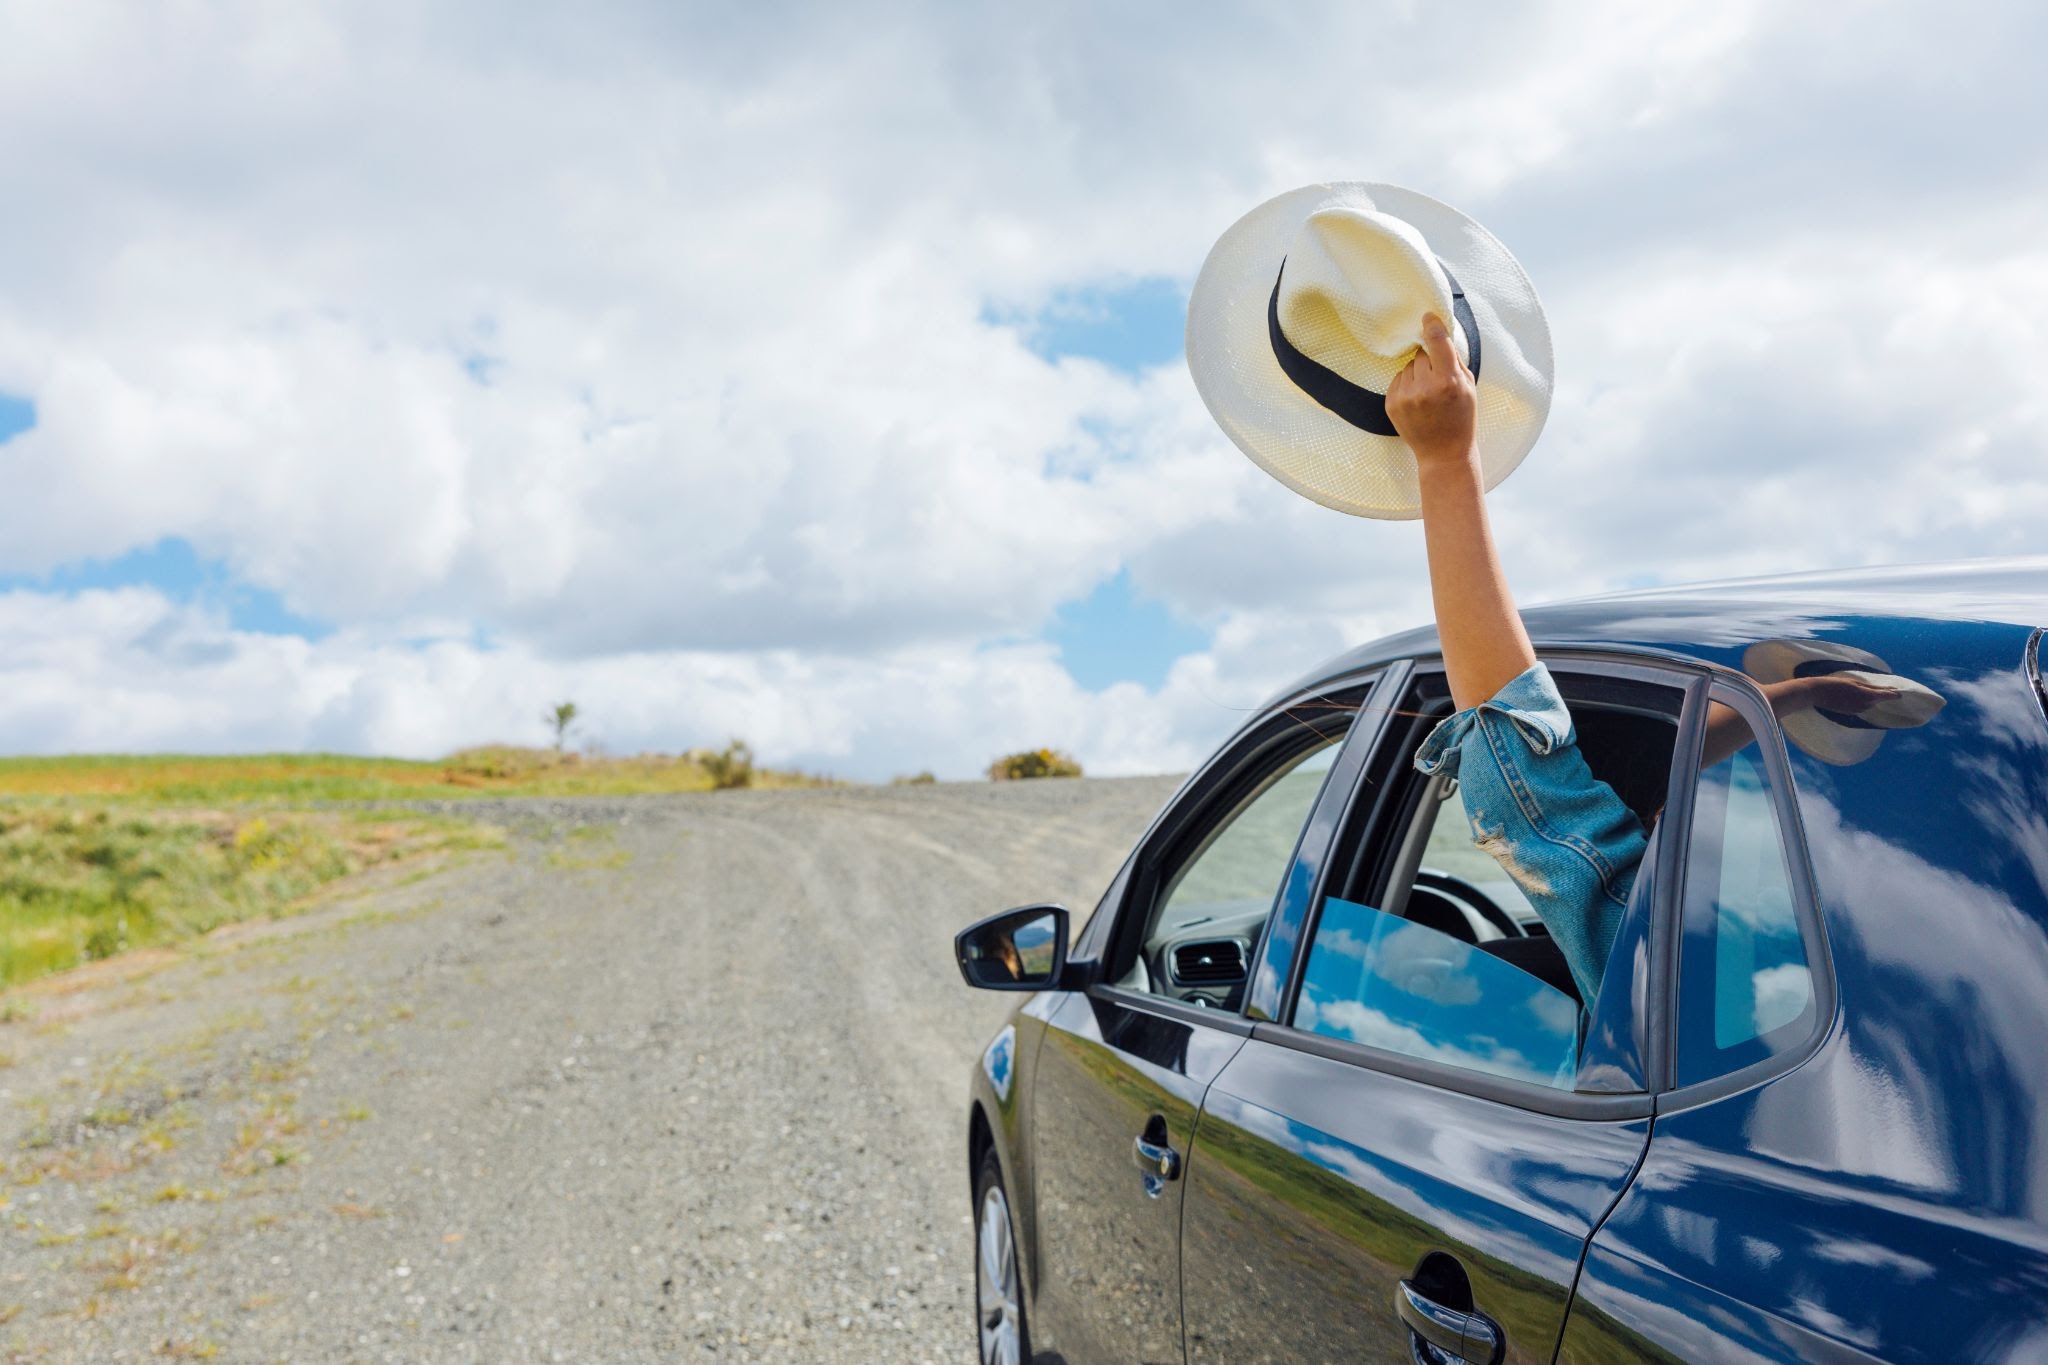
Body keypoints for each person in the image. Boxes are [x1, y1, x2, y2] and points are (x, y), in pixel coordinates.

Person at [1384, 314, 1898, 1004]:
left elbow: (1523, 776)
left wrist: (1446, 464)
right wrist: (1794, 696)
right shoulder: (1857, 951)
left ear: (1646, 814)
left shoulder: (1661, 964)